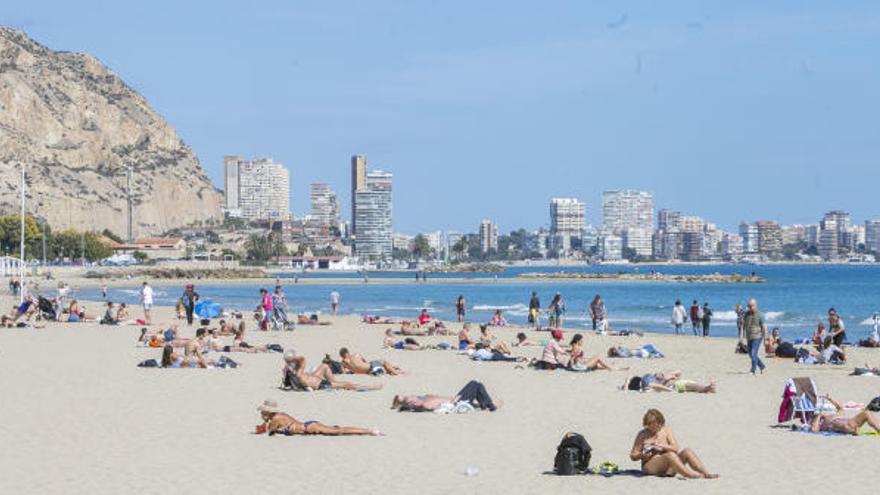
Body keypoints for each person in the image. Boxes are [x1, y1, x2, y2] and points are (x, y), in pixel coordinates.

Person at [630, 409, 718, 479]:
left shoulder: (666, 431)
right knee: (670, 455)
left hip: (669, 467)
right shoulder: (642, 434)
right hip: (650, 467)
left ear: (660, 423)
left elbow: (675, 448)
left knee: (687, 451)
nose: (652, 428)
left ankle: (706, 473)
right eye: (649, 425)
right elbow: (633, 455)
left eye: (655, 425)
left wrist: (660, 445)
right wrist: (642, 455)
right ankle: (690, 475)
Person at [257, 399, 381, 436]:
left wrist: (263, 426)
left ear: (268, 412)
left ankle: (369, 431)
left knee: (339, 431)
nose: (261, 414)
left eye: (263, 412)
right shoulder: (280, 416)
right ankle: (368, 431)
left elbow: (269, 432)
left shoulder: (276, 419)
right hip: (308, 425)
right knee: (337, 429)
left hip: (309, 428)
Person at [282, 351, 382, 391]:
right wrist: (293, 358)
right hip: (322, 384)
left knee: (324, 366)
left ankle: (335, 382)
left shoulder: (292, 373)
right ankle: (371, 387)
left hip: (313, 378)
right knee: (347, 384)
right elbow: (302, 359)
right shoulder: (298, 373)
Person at [390, 380, 500, 412]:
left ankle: (485, 404)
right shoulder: (423, 404)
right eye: (404, 398)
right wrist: (453, 402)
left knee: (477, 385)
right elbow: (432, 407)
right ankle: (490, 405)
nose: (407, 396)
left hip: (455, 399)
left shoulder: (421, 399)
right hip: (457, 402)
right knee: (474, 384)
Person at [810, 395, 880, 435]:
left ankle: (878, 429)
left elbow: (840, 407)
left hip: (850, 422)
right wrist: (818, 416)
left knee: (866, 413)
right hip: (844, 426)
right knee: (866, 413)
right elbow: (814, 430)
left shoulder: (835, 415)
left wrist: (830, 399)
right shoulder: (821, 421)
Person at [627, 371, 716, 393]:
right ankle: (707, 388)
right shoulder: (646, 382)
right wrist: (671, 391)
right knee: (691, 386)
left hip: (675, 384)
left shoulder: (646, 380)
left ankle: (707, 388)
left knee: (691, 385)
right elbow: (657, 386)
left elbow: (658, 385)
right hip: (676, 385)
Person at [743, 298, 767, 375]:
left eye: (752, 306)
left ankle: (752, 370)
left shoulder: (760, 315)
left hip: (757, 336)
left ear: (756, 305)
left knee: (753, 353)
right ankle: (762, 366)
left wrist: (765, 338)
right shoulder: (746, 314)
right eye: (749, 306)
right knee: (751, 354)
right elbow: (743, 326)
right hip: (749, 336)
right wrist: (741, 336)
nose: (750, 307)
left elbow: (764, 327)